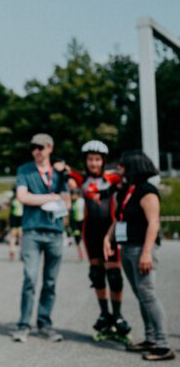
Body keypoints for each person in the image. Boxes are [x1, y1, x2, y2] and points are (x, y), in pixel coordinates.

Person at [104, 151, 175, 361]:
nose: (119, 169)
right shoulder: (127, 190)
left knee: (147, 294)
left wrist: (147, 252)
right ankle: (150, 338)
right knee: (141, 295)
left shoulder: (147, 191)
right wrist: (108, 237)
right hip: (127, 248)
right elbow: (118, 218)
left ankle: (163, 345)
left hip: (142, 249)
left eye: (122, 166)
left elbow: (154, 223)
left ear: (133, 167)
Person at [67, 140, 129, 342]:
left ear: (103, 161)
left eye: (97, 159)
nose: (93, 163)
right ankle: (104, 314)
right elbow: (64, 169)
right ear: (85, 161)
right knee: (96, 274)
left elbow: (128, 177)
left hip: (109, 229)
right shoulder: (81, 178)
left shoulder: (112, 177)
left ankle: (117, 315)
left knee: (114, 275)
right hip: (90, 229)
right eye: (90, 159)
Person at [11, 133, 70, 343]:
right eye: (33, 147)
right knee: (30, 277)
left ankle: (45, 323)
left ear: (50, 148)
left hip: (55, 232)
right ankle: (24, 324)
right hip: (32, 231)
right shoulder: (25, 170)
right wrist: (51, 197)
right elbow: (23, 196)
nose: (36, 151)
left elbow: (67, 202)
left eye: (41, 147)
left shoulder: (59, 173)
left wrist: (63, 184)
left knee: (50, 281)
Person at [8, 186, 23, 261]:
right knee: (20, 236)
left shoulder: (12, 200)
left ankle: (12, 250)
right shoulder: (22, 199)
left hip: (14, 218)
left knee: (14, 236)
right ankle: (19, 251)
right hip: (20, 218)